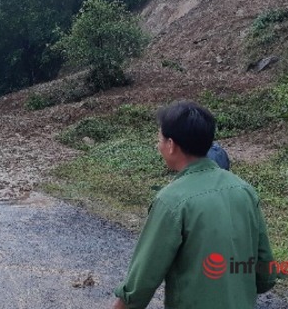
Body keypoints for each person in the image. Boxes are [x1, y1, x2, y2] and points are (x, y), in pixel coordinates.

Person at [112, 101, 276, 309]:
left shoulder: (171, 200)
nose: (158, 145)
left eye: (160, 139)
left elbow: (141, 282)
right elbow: (266, 275)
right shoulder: (244, 190)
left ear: (171, 145)